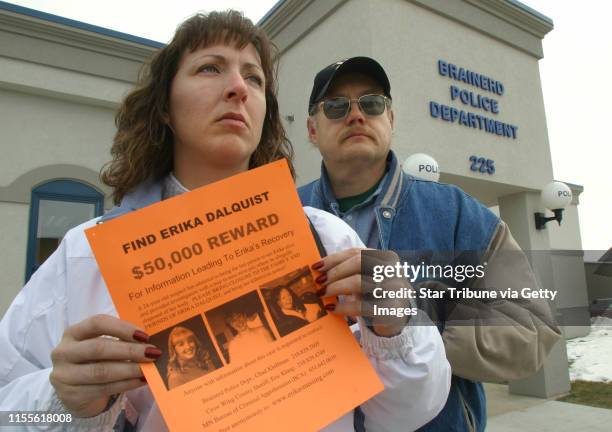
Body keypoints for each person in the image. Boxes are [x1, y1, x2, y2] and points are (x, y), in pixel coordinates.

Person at [0, 13, 450, 431]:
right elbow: (8, 407)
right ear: (164, 108)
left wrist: (397, 325)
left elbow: (404, 414)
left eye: (253, 77)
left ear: (264, 114)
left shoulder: (329, 238)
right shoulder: (87, 254)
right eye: (210, 68)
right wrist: (61, 398)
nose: (238, 87)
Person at [299, 56, 562, 432]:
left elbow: (532, 329)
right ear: (311, 128)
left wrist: (413, 315)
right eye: (336, 106)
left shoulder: (457, 214)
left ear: (390, 118)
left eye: (371, 103)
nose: (355, 115)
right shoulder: (285, 215)